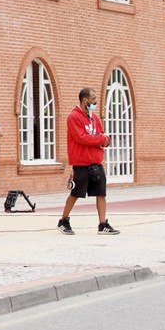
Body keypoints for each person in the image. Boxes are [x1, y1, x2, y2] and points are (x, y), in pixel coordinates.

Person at [58, 88, 119, 236]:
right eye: (93, 98)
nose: (95, 102)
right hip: (81, 163)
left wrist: (103, 140)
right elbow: (81, 138)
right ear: (85, 100)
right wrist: (100, 139)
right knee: (76, 193)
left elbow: (103, 137)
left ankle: (102, 224)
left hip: (96, 162)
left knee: (101, 194)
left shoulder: (94, 118)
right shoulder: (73, 117)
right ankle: (63, 221)